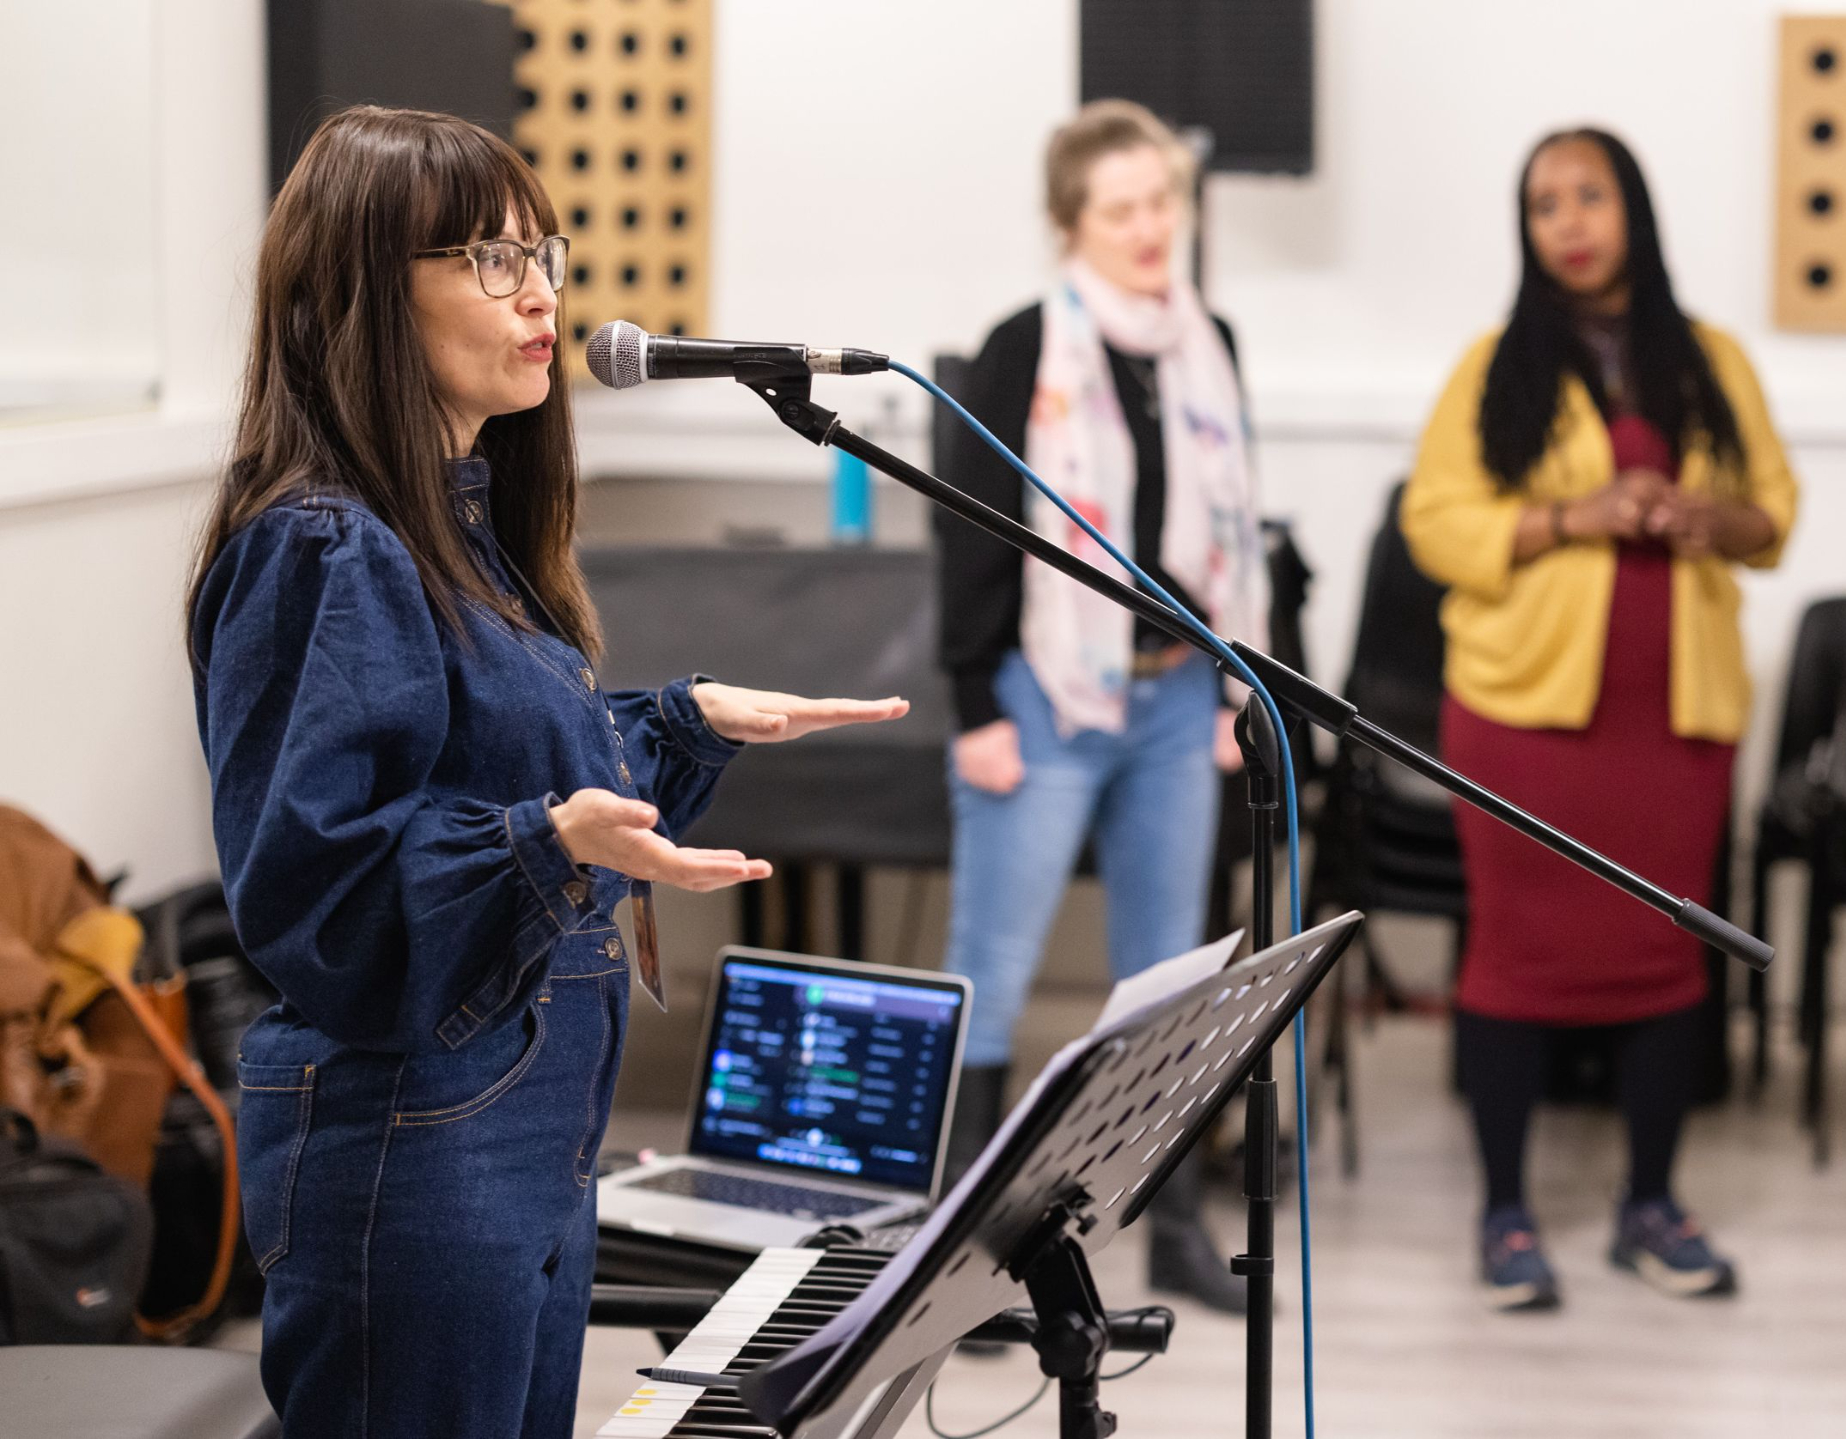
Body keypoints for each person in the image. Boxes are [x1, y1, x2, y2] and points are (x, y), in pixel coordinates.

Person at [188, 107, 905, 1439]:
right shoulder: (325, 546)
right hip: (417, 1136)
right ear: (363, 292)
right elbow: (321, 895)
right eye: (485, 259)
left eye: (543, 255)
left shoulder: (465, 521)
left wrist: (687, 724)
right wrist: (546, 835)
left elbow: (515, 785)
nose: (541, 298)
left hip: (524, 1131)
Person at [1403, 126, 1797, 1312]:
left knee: (1663, 951)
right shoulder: (1491, 365)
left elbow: (1771, 514)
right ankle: (1506, 1210)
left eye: (1590, 196)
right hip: (1521, 718)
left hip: (1674, 725)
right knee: (1514, 959)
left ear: (1633, 207)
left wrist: (1702, 516)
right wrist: (1569, 517)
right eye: (1543, 204)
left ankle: (1651, 1206)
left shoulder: (1711, 359)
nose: (1568, 221)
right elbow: (1436, 522)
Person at [932, 99, 1260, 1312]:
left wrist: (1240, 683)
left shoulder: (1209, 338)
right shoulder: (1024, 342)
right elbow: (970, 526)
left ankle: (1170, 1229)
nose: (1146, 228)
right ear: (1072, 222)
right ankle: (952, 1255)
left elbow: (1238, 524)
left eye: (1160, 202)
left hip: (1180, 700)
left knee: (1168, 977)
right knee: (992, 969)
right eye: (1120, 209)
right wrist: (975, 702)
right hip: (1047, 693)